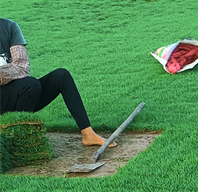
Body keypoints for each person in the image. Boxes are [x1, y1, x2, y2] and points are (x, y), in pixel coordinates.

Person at [0, 18, 113, 147]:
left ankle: (88, 134)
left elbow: (22, 67)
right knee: (31, 84)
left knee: (61, 76)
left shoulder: (9, 27)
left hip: (19, 94)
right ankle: (16, 137)